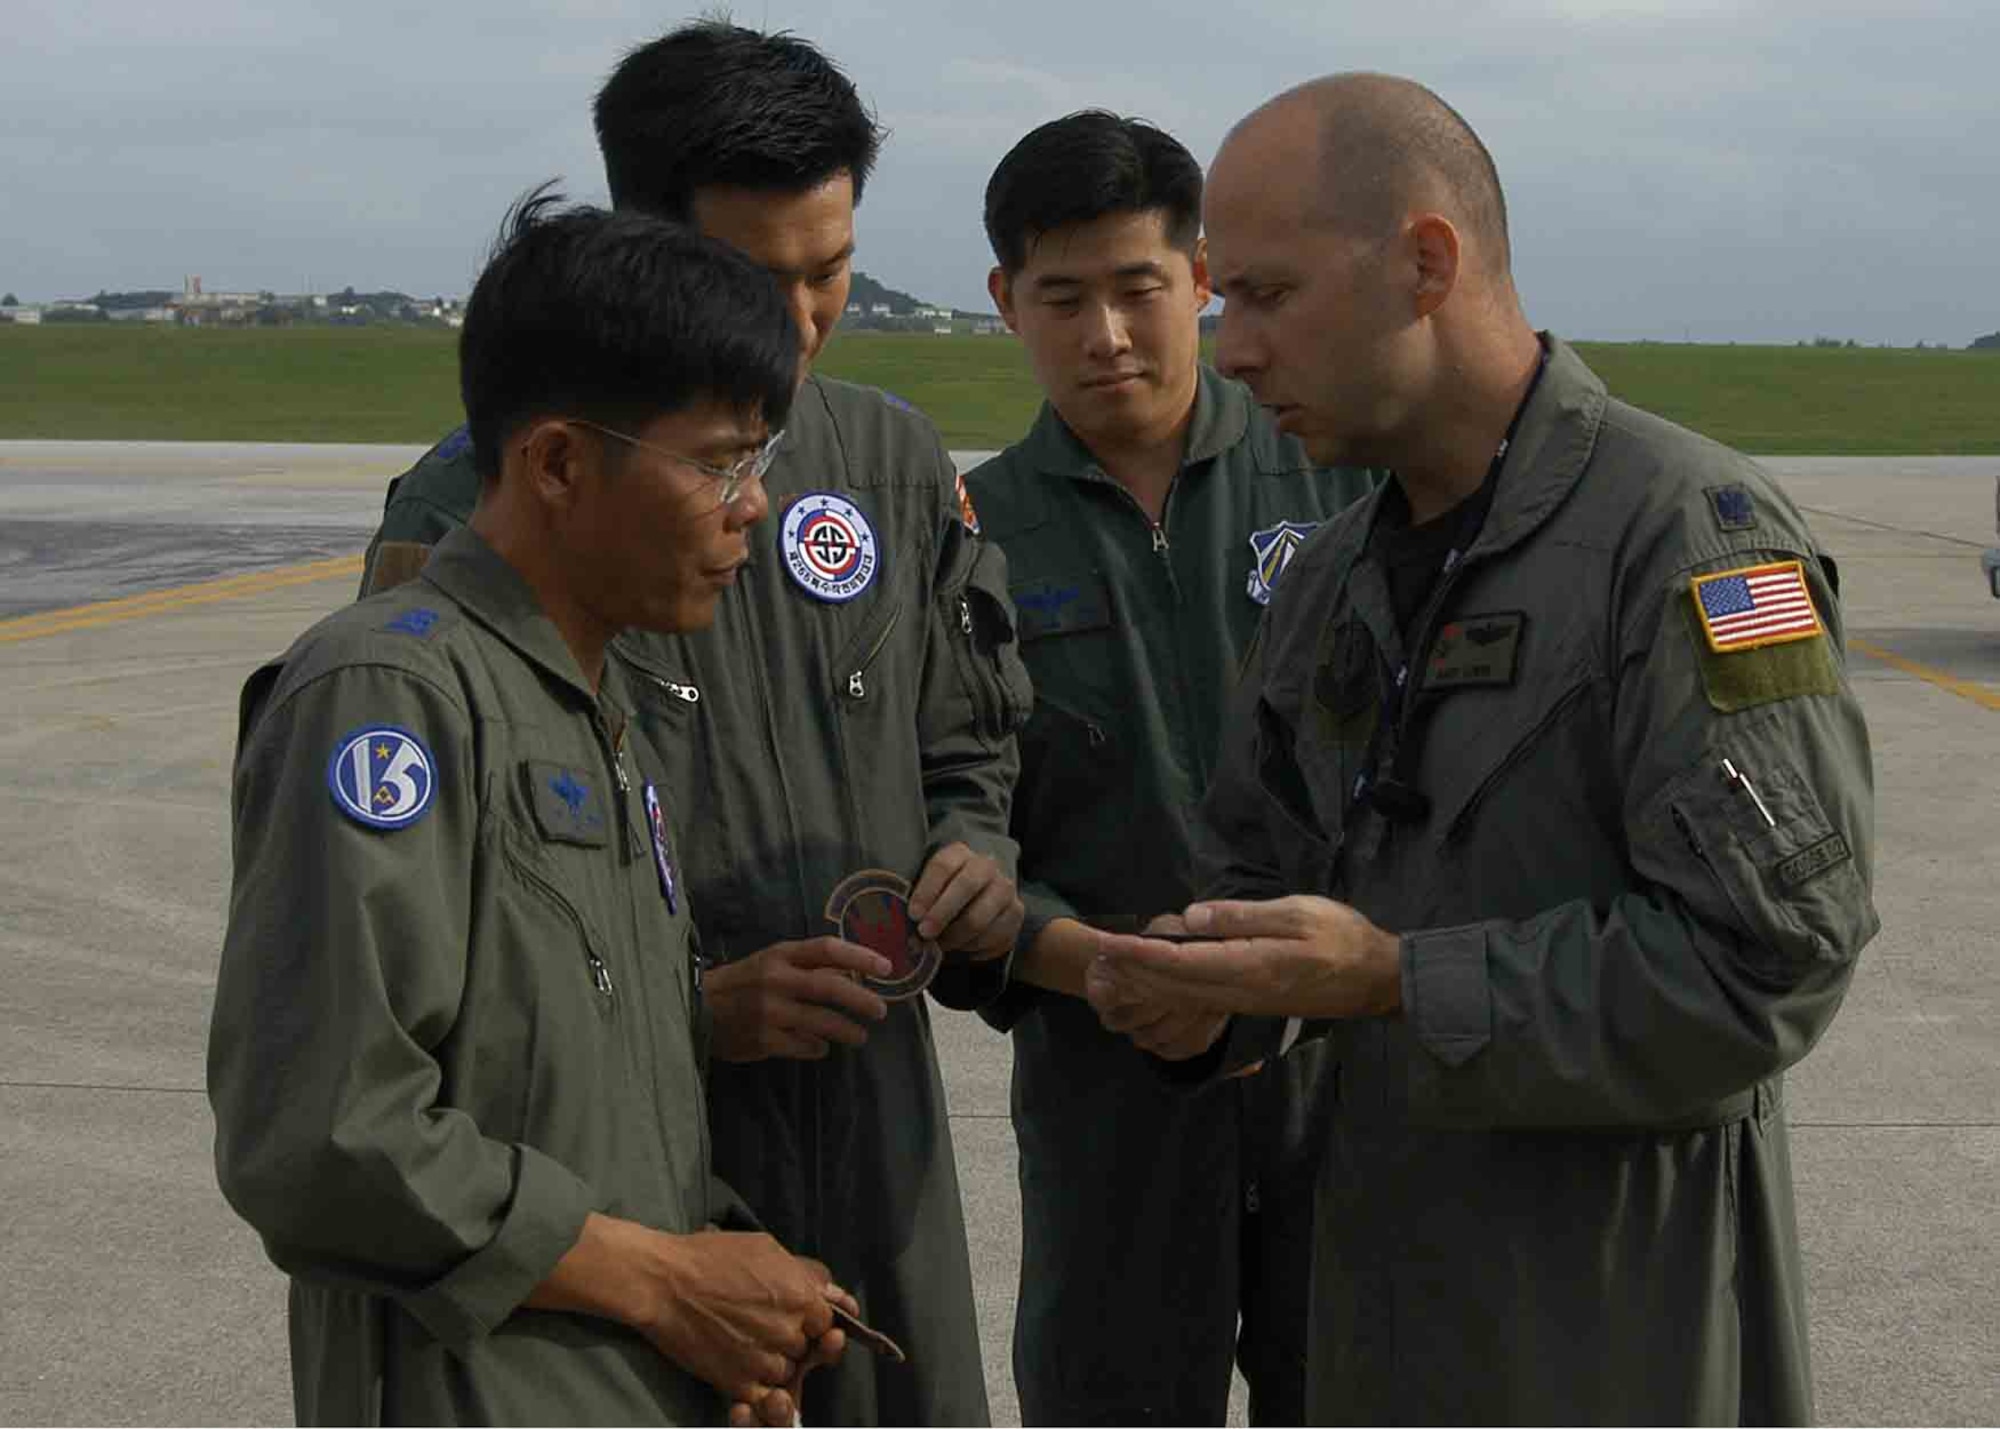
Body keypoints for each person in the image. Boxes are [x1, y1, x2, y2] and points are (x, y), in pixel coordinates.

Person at [1087, 74, 1878, 1424]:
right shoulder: (1335, 575)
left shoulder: (1691, 540)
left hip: (1612, 1332)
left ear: (1426, 263)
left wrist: (1400, 982)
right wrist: (1203, 989)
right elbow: (1264, 865)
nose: (1228, 349)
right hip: (1371, 1314)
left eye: (1266, 295)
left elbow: (1770, 964)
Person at [353, 23, 1029, 1426]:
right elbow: (427, 975)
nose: (797, 319)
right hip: (620, 1183)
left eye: (830, 270)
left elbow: (968, 740)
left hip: (876, 1140)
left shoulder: (890, 463)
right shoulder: (480, 507)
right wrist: (696, 1013)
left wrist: (974, 845)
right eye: (753, 276)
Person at [208, 196, 863, 1427]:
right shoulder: (389, 698)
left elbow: (583, 1098)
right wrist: (670, 1285)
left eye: (760, 461)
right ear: (559, 461)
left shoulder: (590, 704)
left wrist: (732, 1300)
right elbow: (325, 1138)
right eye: (720, 461)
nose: (753, 508)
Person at [963, 111, 1375, 1425]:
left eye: (1141, 288)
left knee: (1371, 1385)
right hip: (1108, 1081)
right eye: (1062, 297)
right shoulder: (967, 535)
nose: (1109, 336)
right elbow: (942, 819)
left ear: (1201, 277)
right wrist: (1099, 966)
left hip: (1347, 1065)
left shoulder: (1335, 482)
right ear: (1003, 303)